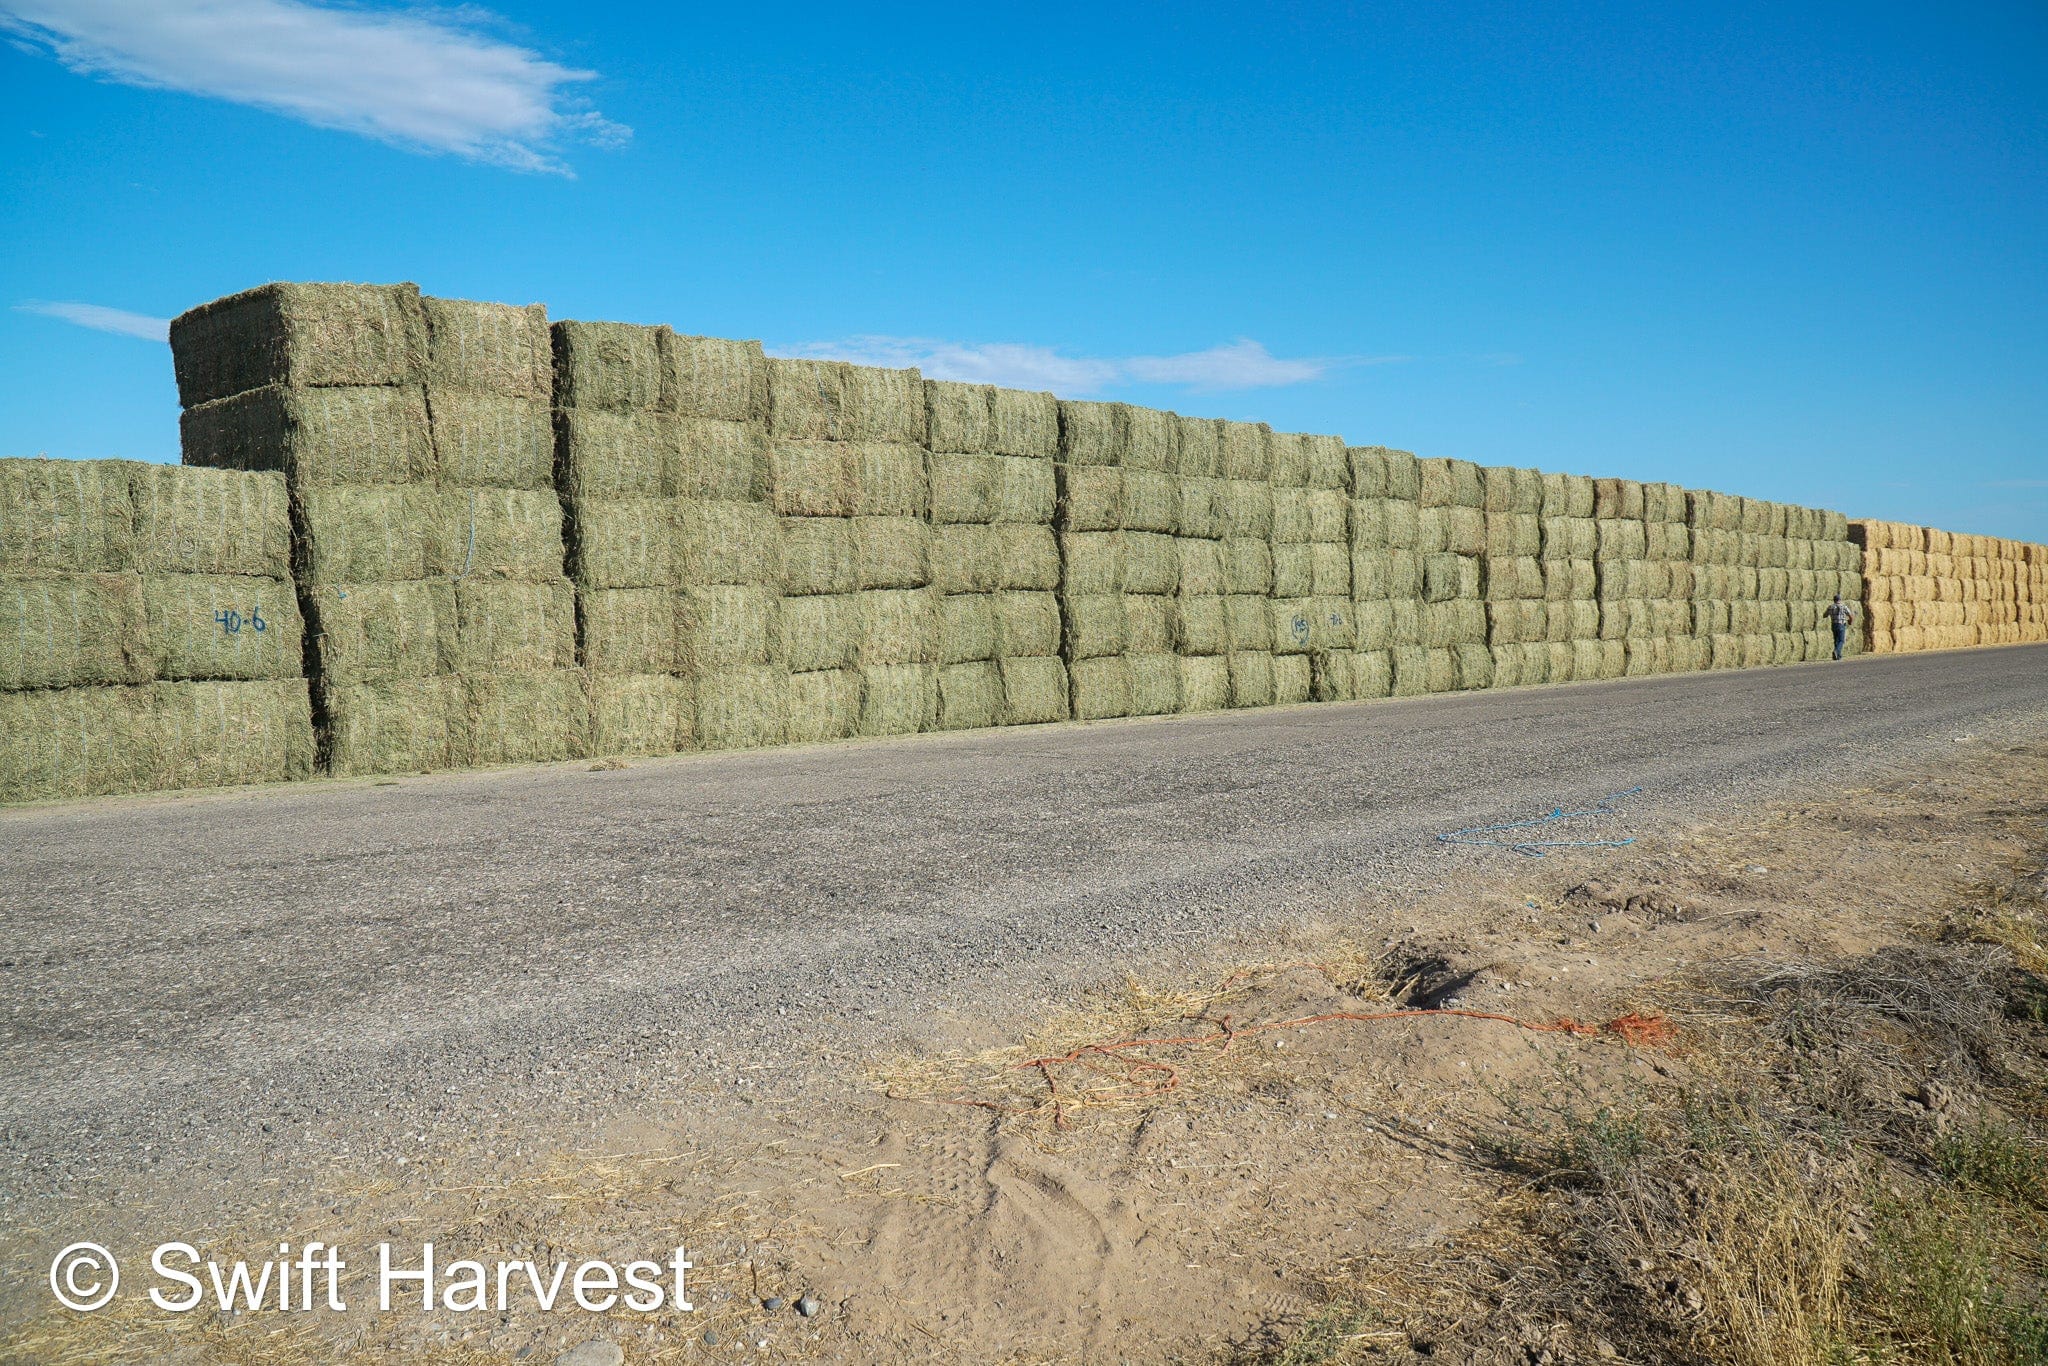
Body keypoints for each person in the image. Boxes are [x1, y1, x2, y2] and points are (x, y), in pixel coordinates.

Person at [1823, 594, 1855, 659]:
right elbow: (1850, 616)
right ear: (1840, 600)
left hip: (1834, 625)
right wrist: (1850, 621)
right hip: (1841, 625)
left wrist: (1829, 614)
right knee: (1841, 640)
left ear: (1834, 600)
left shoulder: (1830, 607)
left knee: (1836, 640)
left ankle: (1838, 656)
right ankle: (1836, 651)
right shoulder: (1844, 607)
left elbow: (1824, 615)